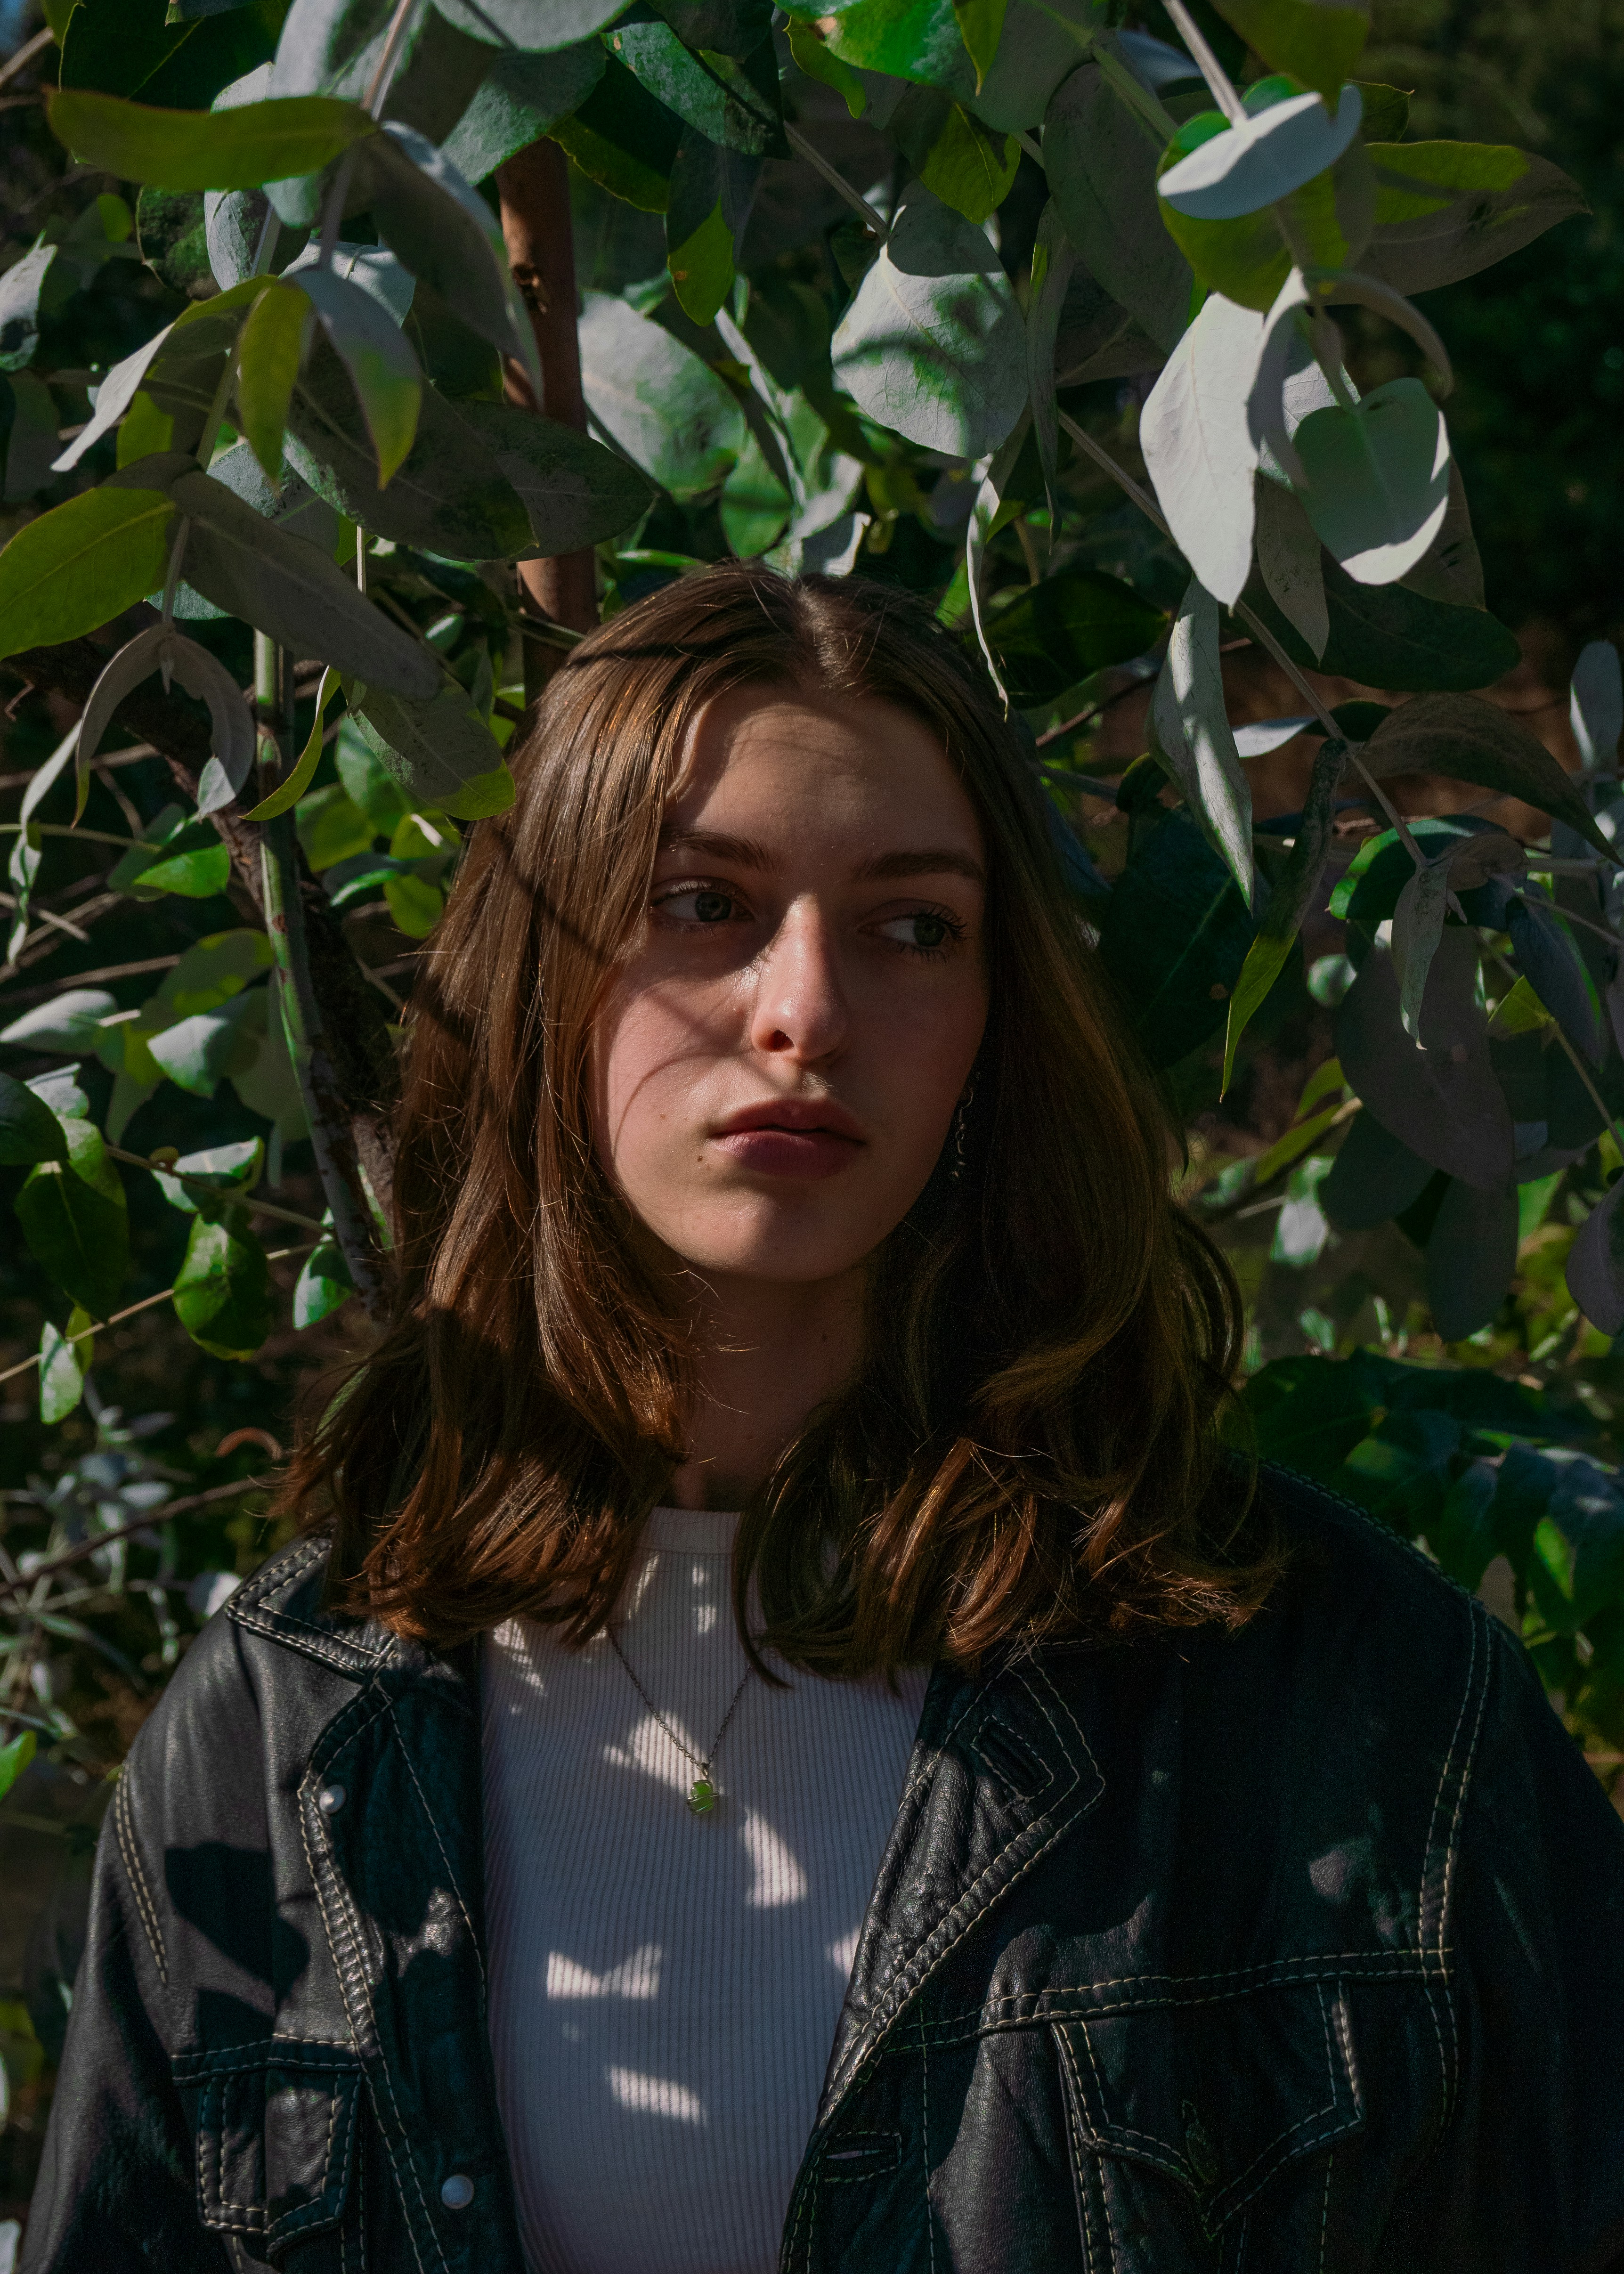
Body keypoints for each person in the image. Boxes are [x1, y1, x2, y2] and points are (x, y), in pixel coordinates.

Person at [21, 565, 1624, 2274]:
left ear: (999, 1024)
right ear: (546, 972)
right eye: (702, 902)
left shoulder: (1361, 1708)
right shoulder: (284, 1733)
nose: (806, 1009)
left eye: (912, 925)